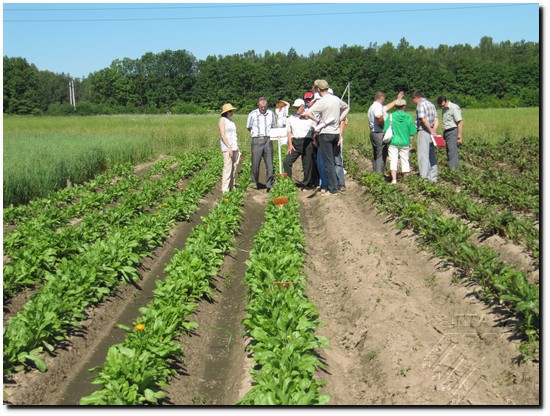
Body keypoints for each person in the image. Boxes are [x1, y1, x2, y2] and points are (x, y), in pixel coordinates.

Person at [304, 79, 350, 195]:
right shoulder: (335, 99)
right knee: (336, 160)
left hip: (326, 134)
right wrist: (340, 119)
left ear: (319, 90)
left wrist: (318, 120)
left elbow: (308, 113)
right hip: (336, 133)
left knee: (328, 162)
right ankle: (339, 184)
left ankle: (333, 188)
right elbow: (347, 108)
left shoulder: (322, 101)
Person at [367, 90, 405, 174]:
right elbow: (378, 116)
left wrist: (397, 100)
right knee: (381, 155)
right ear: (381, 98)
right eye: (384, 99)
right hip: (379, 133)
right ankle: (379, 175)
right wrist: (384, 125)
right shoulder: (377, 107)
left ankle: (375, 173)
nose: (384, 100)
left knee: (376, 155)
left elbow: (386, 108)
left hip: (374, 133)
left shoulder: (374, 106)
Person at [283, 98, 315, 187]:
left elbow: (314, 129)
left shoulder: (309, 116)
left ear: (302, 106)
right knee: (287, 162)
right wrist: (290, 144)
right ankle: (287, 182)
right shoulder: (291, 118)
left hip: (307, 141)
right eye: (295, 107)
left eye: (298, 107)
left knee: (307, 164)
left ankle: (307, 183)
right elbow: (289, 132)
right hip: (295, 143)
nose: (296, 109)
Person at [383, 99, 417, 184]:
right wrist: (410, 143)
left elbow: (385, 129)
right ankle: (406, 179)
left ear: (396, 106)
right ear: (404, 106)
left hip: (393, 142)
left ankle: (394, 180)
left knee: (393, 160)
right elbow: (411, 133)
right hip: (405, 142)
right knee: (405, 160)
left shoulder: (391, 116)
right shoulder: (408, 117)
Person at [247, 97, 276, 192]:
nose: (263, 108)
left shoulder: (271, 114)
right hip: (257, 140)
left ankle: (269, 185)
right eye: (261, 106)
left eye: (264, 106)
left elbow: (273, 126)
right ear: (258, 105)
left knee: (270, 164)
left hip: (268, 140)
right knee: (255, 163)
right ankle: (254, 183)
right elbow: (249, 127)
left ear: (266, 106)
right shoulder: (252, 114)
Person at [412, 91, 439, 182]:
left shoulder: (420, 105)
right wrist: (434, 130)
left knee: (423, 155)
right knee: (431, 154)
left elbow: (423, 120)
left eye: (414, 100)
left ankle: (425, 178)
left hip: (424, 131)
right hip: (432, 131)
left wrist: (430, 131)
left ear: (416, 98)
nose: (414, 102)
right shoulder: (431, 104)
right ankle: (433, 177)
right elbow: (436, 119)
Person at [436, 96, 463, 170]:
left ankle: (454, 172)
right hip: (446, 132)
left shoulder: (454, 107)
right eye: (440, 106)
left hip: (452, 131)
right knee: (449, 152)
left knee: (452, 153)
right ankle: (451, 169)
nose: (442, 107)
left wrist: (459, 137)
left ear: (446, 101)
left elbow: (460, 122)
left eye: (442, 105)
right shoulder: (444, 109)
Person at [218, 103, 240, 194]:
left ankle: (232, 186)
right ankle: (225, 189)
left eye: (232, 111)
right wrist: (229, 147)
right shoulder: (222, 120)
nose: (232, 112)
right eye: (230, 111)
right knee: (227, 168)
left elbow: (233, 135)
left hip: (234, 147)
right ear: (226, 112)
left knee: (234, 167)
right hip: (227, 148)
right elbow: (223, 135)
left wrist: (237, 147)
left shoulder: (231, 121)